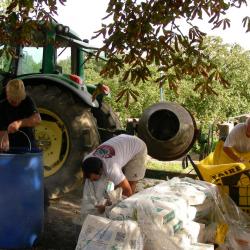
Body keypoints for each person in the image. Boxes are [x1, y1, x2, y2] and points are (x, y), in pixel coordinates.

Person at [82, 134, 148, 198]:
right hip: (122, 142)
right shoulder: (86, 160)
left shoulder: (112, 169)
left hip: (138, 147)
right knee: (118, 186)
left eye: (94, 179)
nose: (92, 181)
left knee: (130, 182)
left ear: (101, 170)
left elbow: (128, 191)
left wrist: (110, 205)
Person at [0, 79, 41, 152]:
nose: (16, 102)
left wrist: (19, 123)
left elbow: (37, 120)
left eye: (19, 99)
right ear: (7, 94)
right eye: (13, 100)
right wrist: (3, 137)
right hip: (10, 147)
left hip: (27, 145)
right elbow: (1, 127)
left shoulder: (27, 101)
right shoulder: (2, 105)